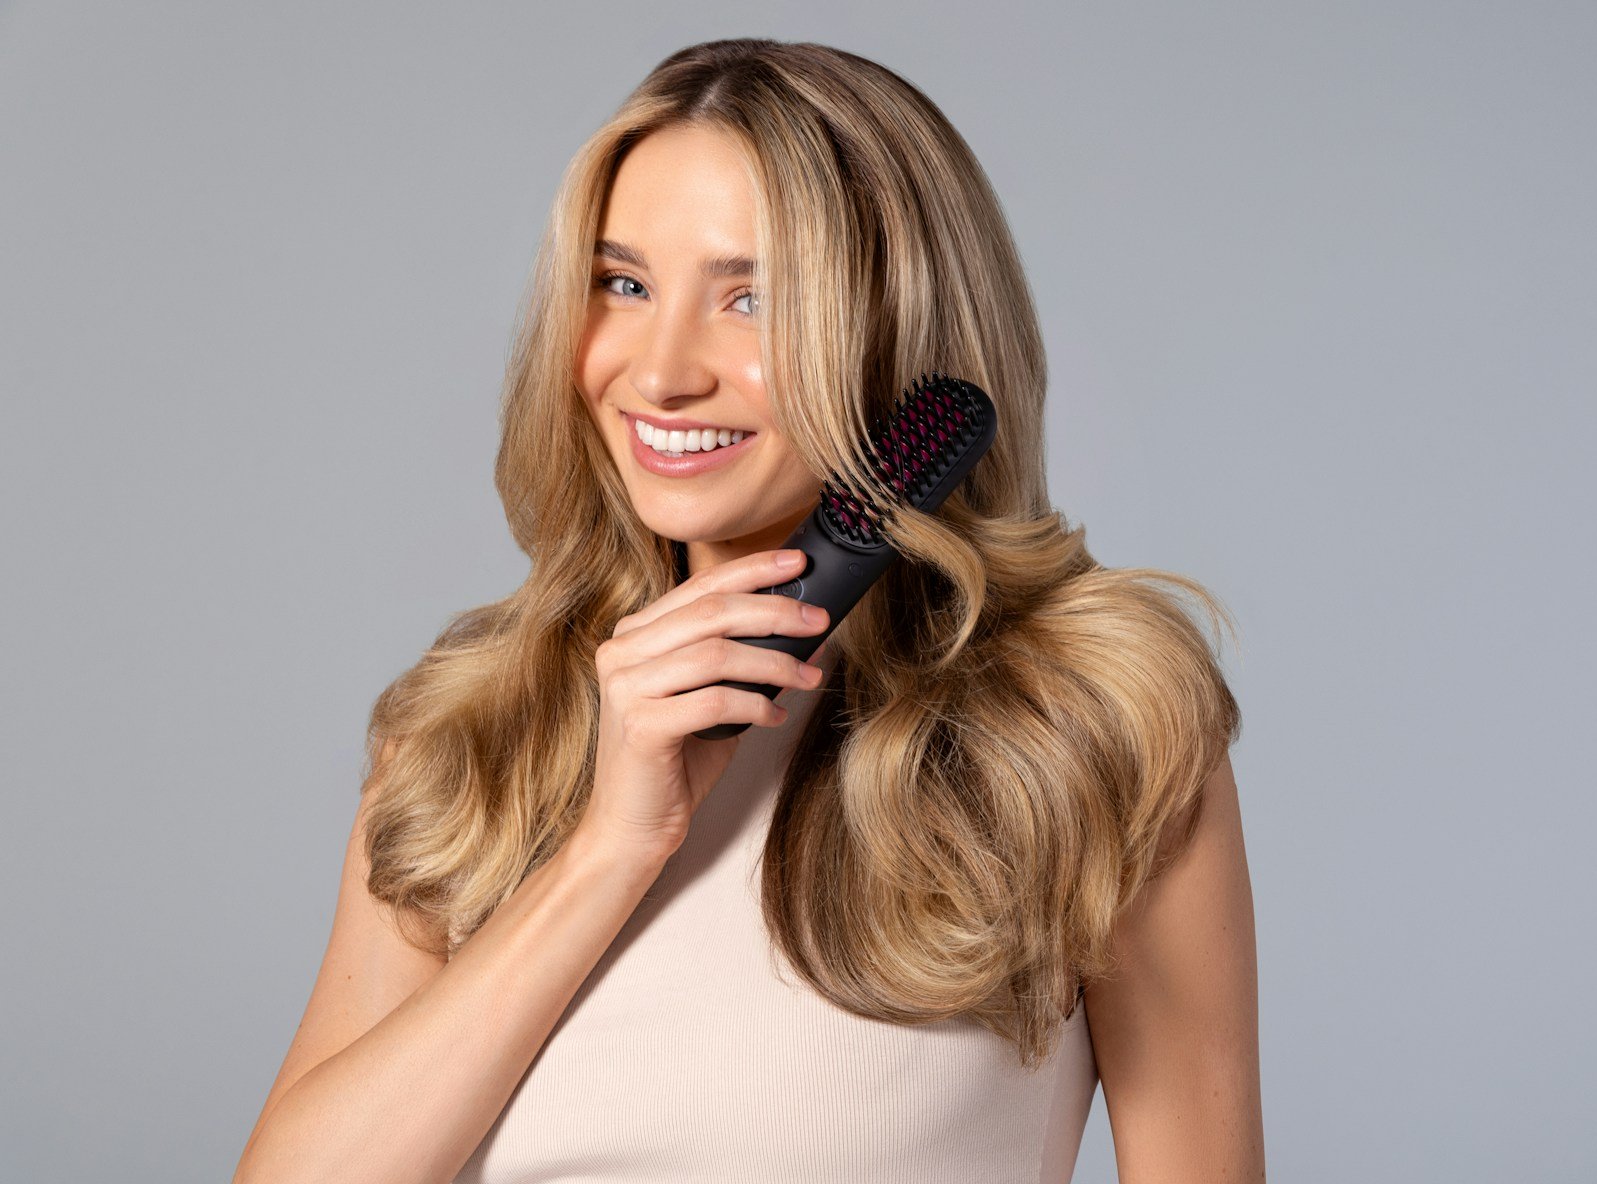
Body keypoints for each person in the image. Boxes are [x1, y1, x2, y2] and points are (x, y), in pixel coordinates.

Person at [233, 37, 1263, 1184]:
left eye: (753, 297)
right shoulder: (469, 728)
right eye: (623, 283)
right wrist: (608, 850)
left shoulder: (1088, 727)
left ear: (903, 339)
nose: (661, 369)